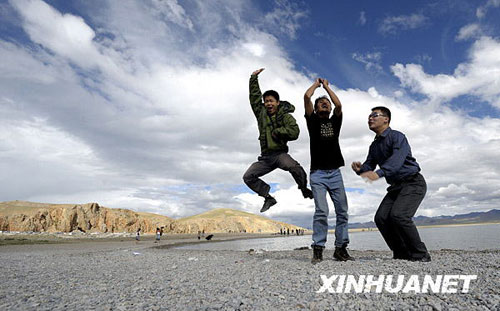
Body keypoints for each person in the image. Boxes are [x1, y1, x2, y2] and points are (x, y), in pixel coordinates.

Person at [351, 106, 431, 262]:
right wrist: (360, 170)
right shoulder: (374, 145)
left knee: (399, 216)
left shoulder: (397, 136)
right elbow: (369, 166)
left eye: (374, 115)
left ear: (386, 119)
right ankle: (401, 254)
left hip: (413, 182)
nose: (370, 118)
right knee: (381, 218)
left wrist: (379, 173)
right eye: (369, 116)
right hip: (395, 187)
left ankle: (420, 254)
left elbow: (396, 161)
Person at [243, 68, 313, 213]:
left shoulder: (285, 116)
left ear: (278, 102)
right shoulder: (261, 114)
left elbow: (295, 132)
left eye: (271, 101)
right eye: (266, 101)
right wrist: (253, 78)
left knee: (295, 168)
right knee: (248, 176)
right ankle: (268, 198)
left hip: (280, 155)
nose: (268, 104)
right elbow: (254, 98)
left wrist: (279, 132)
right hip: (265, 158)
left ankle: (304, 188)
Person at [304, 78, 353, 264]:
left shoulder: (335, 122)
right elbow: (306, 97)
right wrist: (317, 85)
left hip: (335, 173)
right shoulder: (312, 121)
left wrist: (327, 88)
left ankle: (340, 249)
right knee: (322, 211)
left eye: (326, 103)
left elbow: (339, 104)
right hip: (317, 174)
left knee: (342, 211)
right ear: (316, 110)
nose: (324, 104)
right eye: (320, 103)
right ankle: (318, 248)